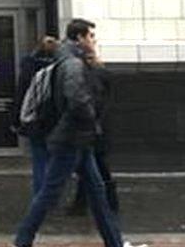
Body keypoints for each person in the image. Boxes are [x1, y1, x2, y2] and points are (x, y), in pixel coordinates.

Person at [12, 19, 146, 247]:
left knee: (98, 194)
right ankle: (22, 240)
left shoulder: (72, 60)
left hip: (79, 139)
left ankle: (115, 242)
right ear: (79, 38)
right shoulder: (73, 64)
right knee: (49, 193)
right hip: (71, 139)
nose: (94, 41)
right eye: (91, 36)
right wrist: (91, 118)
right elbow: (76, 99)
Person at [68, 51, 119, 215]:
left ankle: (86, 204)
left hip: (93, 129)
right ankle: (103, 202)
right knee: (93, 166)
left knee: (93, 166)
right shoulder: (102, 75)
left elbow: (94, 103)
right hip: (98, 128)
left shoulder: (92, 77)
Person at [13, 35, 59, 196]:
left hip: (35, 119)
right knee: (57, 160)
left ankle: (40, 196)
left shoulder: (29, 67)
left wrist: (16, 119)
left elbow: (21, 93)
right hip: (55, 120)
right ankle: (52, 195)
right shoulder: (61, 67)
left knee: (39, 160)